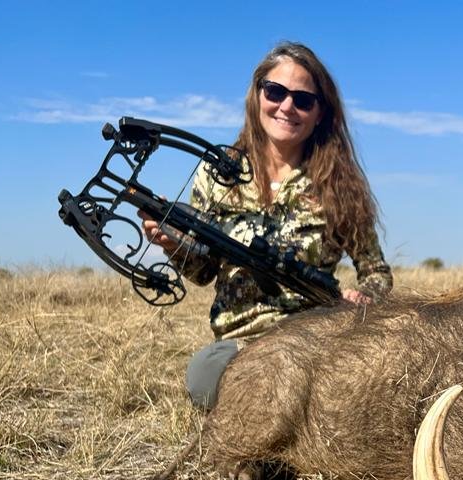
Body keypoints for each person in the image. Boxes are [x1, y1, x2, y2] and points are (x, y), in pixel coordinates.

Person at [140, 41, 392, 409]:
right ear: (257, 95)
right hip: (243, 342)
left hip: (318, 338)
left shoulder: (341, 183)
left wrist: (365, 297)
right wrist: (173, 246)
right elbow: (204, 270)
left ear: (320, 113)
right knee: (204, 379)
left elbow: (376, 271)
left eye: (303, 100)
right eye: (275, 92)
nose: (287, 106)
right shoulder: (217, 172)